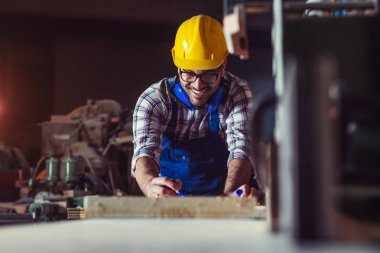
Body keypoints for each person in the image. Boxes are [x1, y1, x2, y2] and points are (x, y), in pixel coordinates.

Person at [132, 14, 258, 199]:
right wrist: (150, 185)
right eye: (189, 74)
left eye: (208, 75)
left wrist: (230, 197)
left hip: (222, 194)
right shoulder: (153, 100)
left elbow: (242, 149)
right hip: (171, 199)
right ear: (177, 64)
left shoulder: (236, 92)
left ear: (223, 66)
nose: (198, 86)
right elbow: (145, 152)